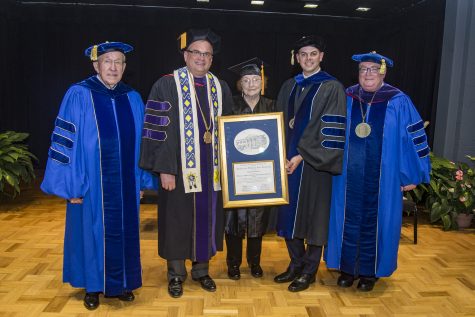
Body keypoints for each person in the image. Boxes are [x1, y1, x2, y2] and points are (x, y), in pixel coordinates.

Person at [41, 41, 155, 310]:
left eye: (119, 62)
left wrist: (140, 180)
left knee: (126, 231)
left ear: (125, 67)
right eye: (107, 62)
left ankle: (122, 282)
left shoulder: (132, 98)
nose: (113, 67)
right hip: (90, 182)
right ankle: (93, 287)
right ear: (96, 65)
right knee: (91, 232)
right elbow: (65, 143)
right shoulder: (79, 94)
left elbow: (141, 143)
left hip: (126, 183)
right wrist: (72, 187)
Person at [324, 52, 431, 292]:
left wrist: (410, 175)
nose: (368, 74)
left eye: (373, 69)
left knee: (379, 221)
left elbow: (412, 138)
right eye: (363, 69)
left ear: (383, 72)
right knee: (345, 219)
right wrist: (327, 163)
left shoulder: (398, 100)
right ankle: (346, 269)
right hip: (347, 177)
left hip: (383, 178)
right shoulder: (348, 96)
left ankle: (369, 274)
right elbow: (333, 132)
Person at [139, 28, 233, 298]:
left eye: (207, 54)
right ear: (185, 55)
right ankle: (176, 274)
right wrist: (165, 169)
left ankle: (201, 270)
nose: (201, 58)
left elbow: (228, 132)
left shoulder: (220, 87)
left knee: (208, 218)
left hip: (211, 170)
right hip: (178, 171)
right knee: (177, 221)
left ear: (212, 59)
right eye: (196, 52)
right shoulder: (167, 84)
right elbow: (157, 130)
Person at [274, 35, 346, 292]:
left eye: (313, 53)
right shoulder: (288, 86)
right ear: (297, 57)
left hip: (315, 164)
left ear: (321, 57)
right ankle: (295, 264)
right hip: (287, 164)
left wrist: (301, 155)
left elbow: (332, 130)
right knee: (288, 214)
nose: (307, 58)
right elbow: (278, 124)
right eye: (302, 54)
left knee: (315, 216)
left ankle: (309, 270)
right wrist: (279, 153)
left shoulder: (332, 87)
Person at [224, 58, 276, 280]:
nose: (252, 84)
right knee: (233, 221)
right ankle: (233, 264)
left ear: (262, 82)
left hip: (262, 174)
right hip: (236, 175)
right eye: (247, 80)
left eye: (256, 79)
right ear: (240, 84)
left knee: (257, 220)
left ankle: (255, 263)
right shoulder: (230, 106)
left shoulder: (272, 107)